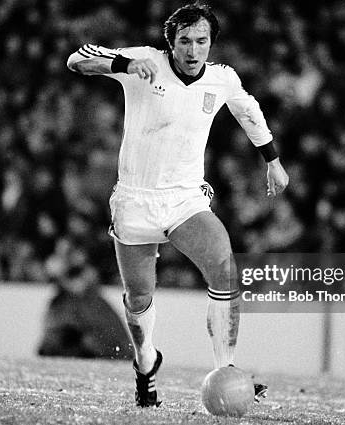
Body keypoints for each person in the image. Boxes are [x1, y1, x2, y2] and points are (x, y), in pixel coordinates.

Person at [67, 2, 288, 407]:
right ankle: (146, 361)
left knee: (223, 267)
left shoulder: (222, 79)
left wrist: (272, 160)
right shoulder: (145, 61)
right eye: (184, 41)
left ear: (211, 43)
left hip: (185, 199)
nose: (192, 50)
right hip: (136, 200)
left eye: (201, 41)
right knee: (138, 298)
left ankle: (227, 369)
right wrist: (122, 65)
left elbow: (248, 111)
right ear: (171, 43)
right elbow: (78, 58)